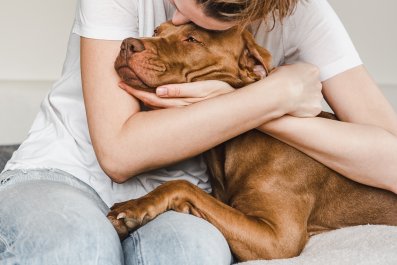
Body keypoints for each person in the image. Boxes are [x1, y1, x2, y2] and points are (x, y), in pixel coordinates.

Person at [1, 0, 396, 264]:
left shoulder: (299, 14)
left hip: (185, 190)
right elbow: (119, 154)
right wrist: (271, 95)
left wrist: (265, 101)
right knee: (78, 244)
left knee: (192, 253)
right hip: (67, 172)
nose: (172, 22)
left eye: (192, 35)